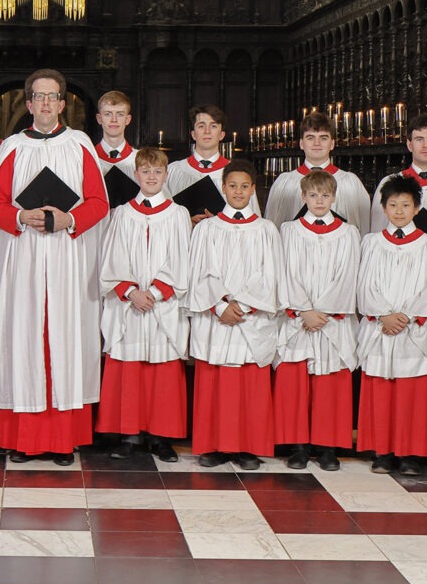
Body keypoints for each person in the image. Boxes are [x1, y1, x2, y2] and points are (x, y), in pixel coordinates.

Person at [0, 69, 112, 464]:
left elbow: (97, 202)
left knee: (64, 337)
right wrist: (23, 218)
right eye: (37, 97)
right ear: (27, 103)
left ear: (62, 104)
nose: (44, 104)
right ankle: (23, 440)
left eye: (51, 97)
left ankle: (62, 440)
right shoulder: (13, 147)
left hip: (65, 258)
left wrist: (66, 219)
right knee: (23, 338)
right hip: (23, 257)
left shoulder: (79, 145)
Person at [95, 147, 191, 462]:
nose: (151, 177)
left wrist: (159, 291)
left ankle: (161, 437)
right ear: (136, 175)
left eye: (157, 172)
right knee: (129, 367)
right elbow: (112, 258)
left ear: (166, 175)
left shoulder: (177, 214)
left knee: (162, 370)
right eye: (145, 171)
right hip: (130, 305)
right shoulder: (122, 213)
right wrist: (131, 291)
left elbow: (182, 259)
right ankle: (129, 434)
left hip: (162, 305)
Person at [186, 164, 282, 469]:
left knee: (250, 386)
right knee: (214, 384)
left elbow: (272, 275)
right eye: (233, 186)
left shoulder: (267, 229)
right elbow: (198, 273)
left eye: (244, 186)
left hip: (250, 319)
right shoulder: (206, 229)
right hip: (218, 319)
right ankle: (213, 445)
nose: (238, 192)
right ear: (223, 189)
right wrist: (219, 306)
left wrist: (245, 306)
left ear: (253, 190)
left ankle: (247, 447)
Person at [355, 178, 427, 475]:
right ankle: (382, 450)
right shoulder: (371, 242)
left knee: (413, 394)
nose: (398, 210)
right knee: (381, 391)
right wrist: (383, 315)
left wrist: (405, 316)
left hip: (414, 331)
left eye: (406, 205)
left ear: (417, 208)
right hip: (381, 327)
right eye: (392, 205)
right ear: (383, 208)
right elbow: (364, 285)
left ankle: (411, 453)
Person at [274, 170, 361, 471]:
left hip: (331, 321)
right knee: (295, 384)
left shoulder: (348, 233)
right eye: (313, 195)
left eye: (325, 195)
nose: (319, 201)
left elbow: (348, 275)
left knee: (329, 386)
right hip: (299, 320)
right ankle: (297, 446)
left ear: (334, 197)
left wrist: (323, 311)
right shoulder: (289, 230)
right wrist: (303, 311)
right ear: (303, 197)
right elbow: (285, 272)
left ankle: (327, 447)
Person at [264, 113, 372, 228]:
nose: (317, 143)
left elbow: (364, 229)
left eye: (323, 138)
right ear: (301, 143)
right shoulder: (284, 183)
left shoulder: (351, 183)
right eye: (310, 138)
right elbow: (272, 229)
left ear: (332, 144)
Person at [169, 105, 254, 222]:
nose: (207, 131)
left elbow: (252, 222)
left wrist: (219, 223)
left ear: (221, 135)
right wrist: (186, 221)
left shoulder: (238, 173)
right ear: (193, 134)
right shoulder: (173, 171)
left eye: (213, 126)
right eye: (201, 126)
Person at [92, 89, 140, 205]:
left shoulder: (141, 159)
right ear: (99, 118)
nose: (114, 120)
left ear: (127, 120)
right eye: (108, 114)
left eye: (120, 114)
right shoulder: (88, 158)